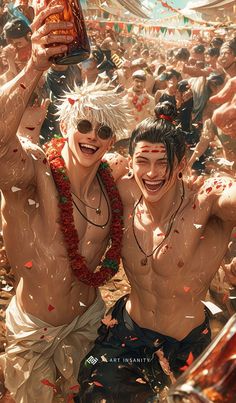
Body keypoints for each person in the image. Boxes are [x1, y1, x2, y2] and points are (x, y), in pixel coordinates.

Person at [0, 4, 129, 402]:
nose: (93, 135)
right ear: (69, 124)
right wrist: (34, 67)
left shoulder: (116, 179)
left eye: (104, 130)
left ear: (111, 139)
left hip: (89, 325)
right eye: (85, 125)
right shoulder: (35, 169)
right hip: (37, 328)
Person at [78, 101, 236, 402]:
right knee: (88, 376)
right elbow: (79, 163)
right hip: (127, 336)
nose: (152, 173)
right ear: (130, 160)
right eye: (143, 161)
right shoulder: (123, 192)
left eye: (163, 162)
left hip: (186, 345)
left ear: (181, 163)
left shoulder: (206, 201)